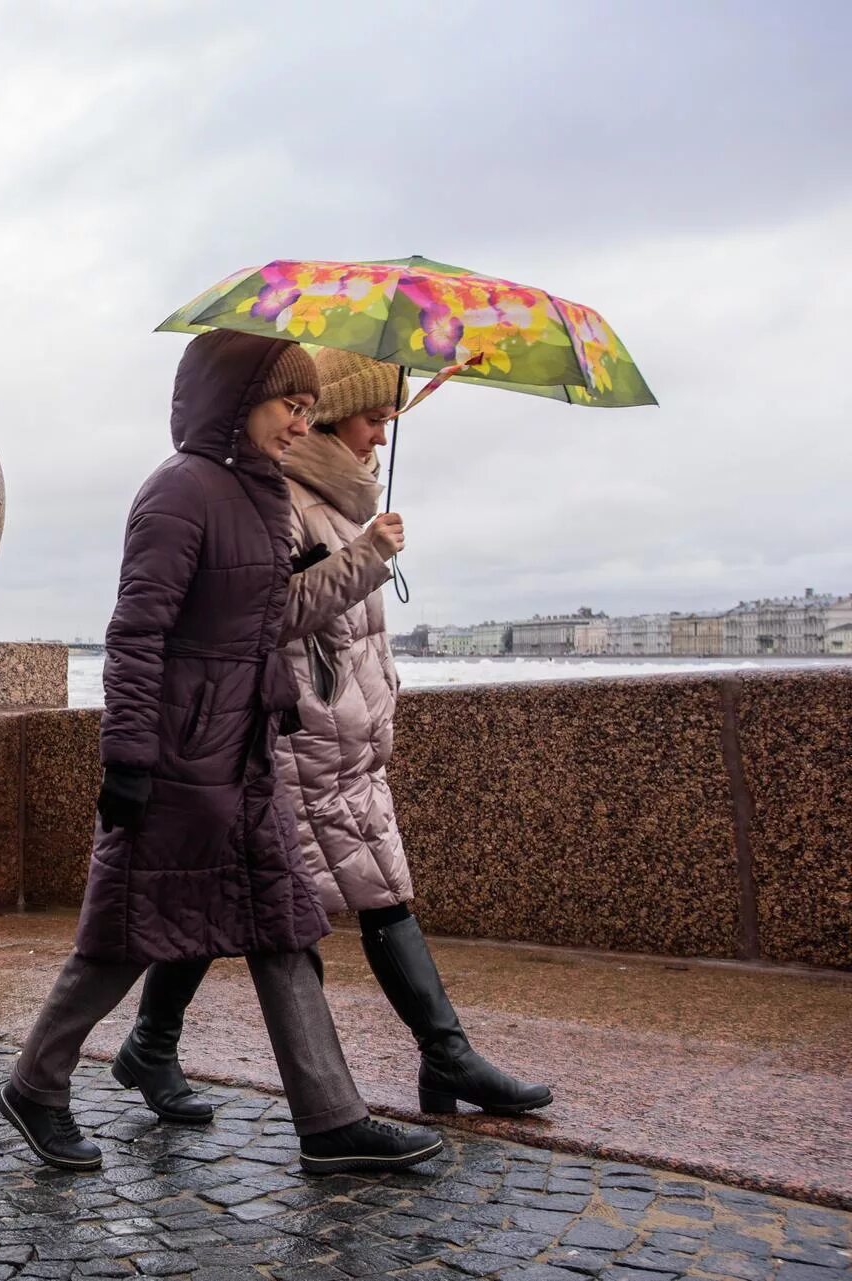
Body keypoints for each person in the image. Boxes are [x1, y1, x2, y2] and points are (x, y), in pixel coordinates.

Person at [0, 329, 443, 1175]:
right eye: (289, 406)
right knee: (126, 931)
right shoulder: (178, 491)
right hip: (177, 752)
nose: (299, 423)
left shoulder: (263, 494)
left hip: (246, 751)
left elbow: (268, 619)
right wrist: (127, 757)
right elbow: (136, 634)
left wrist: (357, 559)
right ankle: (35, 1082)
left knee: (283, 924)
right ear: (237, 404)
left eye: (311, 409)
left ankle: (330, 1118)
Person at [274, 347, 552, 1115]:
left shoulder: (335, 502)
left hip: (348, 745)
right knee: (299, 915)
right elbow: (277, 613)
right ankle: (431, 1062)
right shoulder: (283, 497)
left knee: (361, 893)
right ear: (329, 419)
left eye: (390, 419)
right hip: (305, 743)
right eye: (373, 419)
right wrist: (369, 557)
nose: (382, 437)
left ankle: (444, 1058)